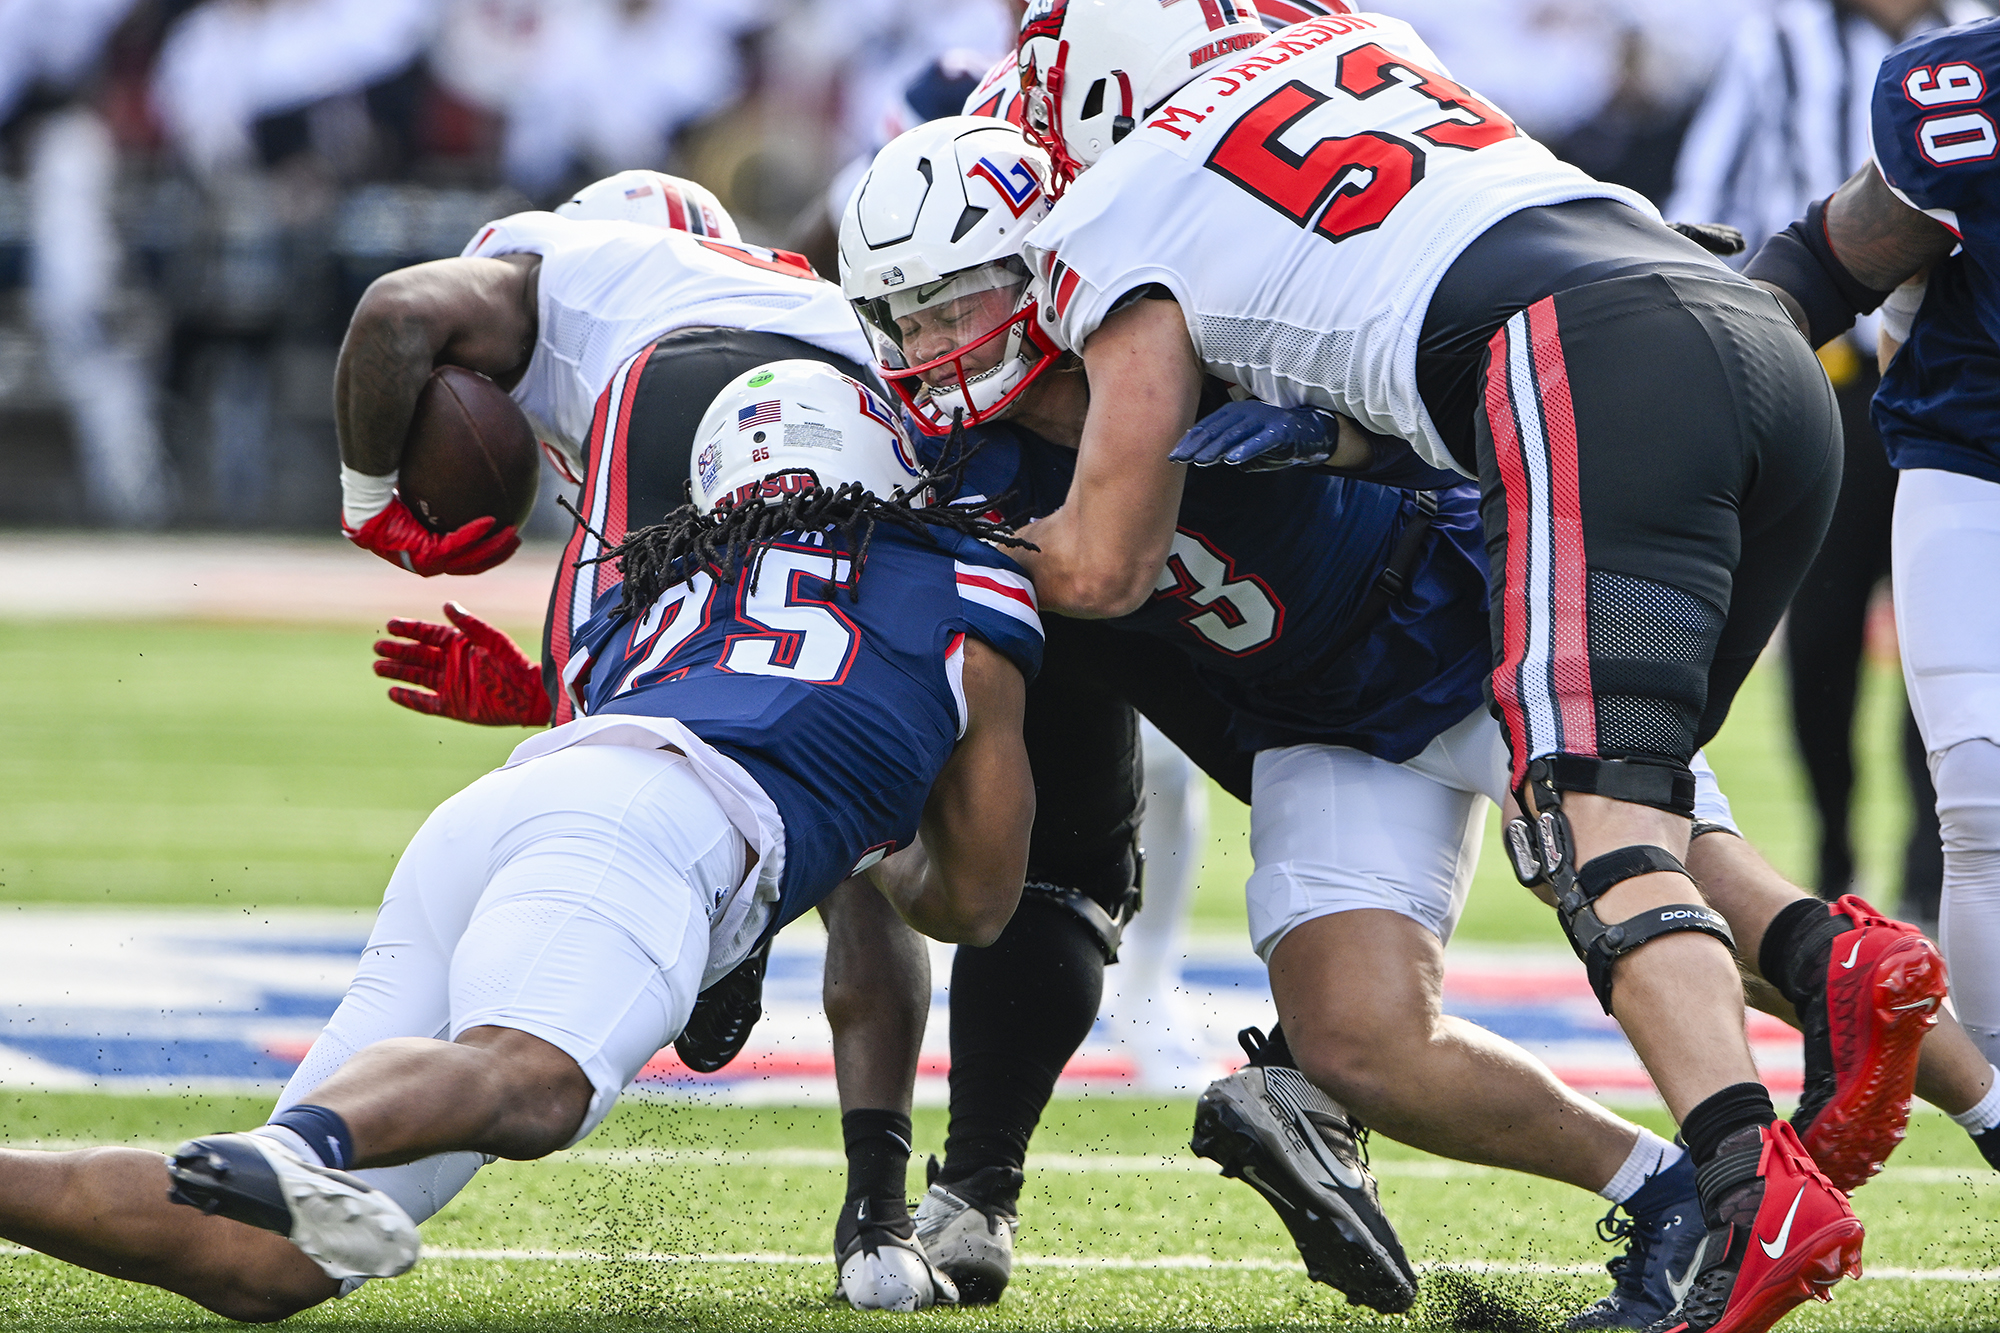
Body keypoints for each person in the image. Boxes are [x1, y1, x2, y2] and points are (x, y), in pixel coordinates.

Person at [830, 115, 1952, 1329]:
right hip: (1312, 718)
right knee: (1356, 1038)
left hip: (1466, 627)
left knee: (1700, 904)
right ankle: (1672, 1192)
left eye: (955, 303)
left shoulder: (1186, 295)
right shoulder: (946, 461)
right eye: (907, 318)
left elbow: (1461, 368)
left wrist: (1345, 435)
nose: (932, 347)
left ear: (1042, 265)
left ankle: (1984, 1104)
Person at [0, 360, 1042, 1319]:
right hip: (651, 833)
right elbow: (977, 902)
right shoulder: (963, 588)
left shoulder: (657, 585)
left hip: (501, 817)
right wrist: (871, 830)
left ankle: (242, 1157)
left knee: (264, 1264)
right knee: (536, 1085)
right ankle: (296, 1145)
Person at [336, 167, 877, 1078]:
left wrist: (368, 505)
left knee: (607, 749)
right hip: (862, 405)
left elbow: (395, 310)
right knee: (847, 786)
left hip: (689, 378)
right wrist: (542, 688)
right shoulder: (763, 281)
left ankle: (634, 922)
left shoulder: (570, 272)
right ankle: (883, 1159)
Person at [1738, 11, 2000, 1169]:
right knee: (1981, 791)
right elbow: (1832, 257)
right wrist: (1709, 347)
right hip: (1973, 449)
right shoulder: (1964, 92)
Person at [1670, 0, 1985, 917]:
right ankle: (1834, 852)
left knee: (1947, 638)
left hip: (1955, 383)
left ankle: (1931, 869)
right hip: (1825, 371)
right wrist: (1728, 347)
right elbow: (1710, 198)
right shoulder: (1781, 40)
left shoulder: (1975, 33)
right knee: (1823, 630)